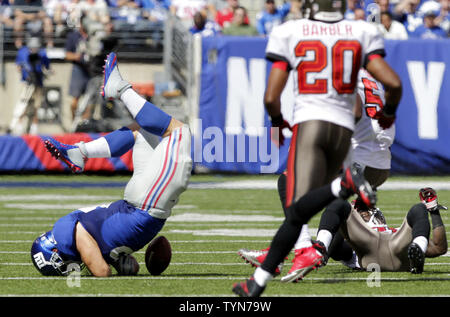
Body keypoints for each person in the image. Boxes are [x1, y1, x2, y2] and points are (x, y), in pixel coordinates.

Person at [232, 0, 402, 297]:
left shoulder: (292, 31)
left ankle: (306, 247)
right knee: (311, 203)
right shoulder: (359, 37)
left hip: (324, 129)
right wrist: (388, 115)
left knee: (295, 188)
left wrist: (275, 124)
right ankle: (276, 266)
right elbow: (393, 85)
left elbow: (274, 97)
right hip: (373, 153)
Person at [31, 52, 193, 277]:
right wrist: (124, 263)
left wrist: (100, 262)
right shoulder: (79, 239)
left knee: (174, 132)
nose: (69, 271)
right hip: (138, 205)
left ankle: (119, 91)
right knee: (155, 130)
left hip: (142, 207)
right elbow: (116, 263)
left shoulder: (67, 232)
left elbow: (101, 271)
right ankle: (81, 151)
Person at [238, 68, 397, 282]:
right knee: (333, 212)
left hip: (359, 155)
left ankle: (300, 249)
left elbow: (355, 112)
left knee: (289, 180)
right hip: (381, 161)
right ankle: (294, 250)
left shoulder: (342, 68)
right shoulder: (371, 75)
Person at [315, 186, 448, 273]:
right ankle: (320, 250)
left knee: (418, 208)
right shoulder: (350, 242)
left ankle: (418, 251)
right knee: (339, 205)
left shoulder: (395, 232)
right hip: (368, 252)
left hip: (396, 246)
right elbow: (339, 250)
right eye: (364, 212)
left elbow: (438, 247)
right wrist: (340, 230)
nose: (370, 213)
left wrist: (433, 211)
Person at [8, 36, 50, 135]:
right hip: (27, 83)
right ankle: (18, 126)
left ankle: (34, 128)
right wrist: (25, 72)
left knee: (37, 106)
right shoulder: (22, 52)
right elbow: (18, 66)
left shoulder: (42, 54)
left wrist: (46, 72)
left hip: (38, 83)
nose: (34, 50)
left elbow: (47, 67)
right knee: (23, 105)